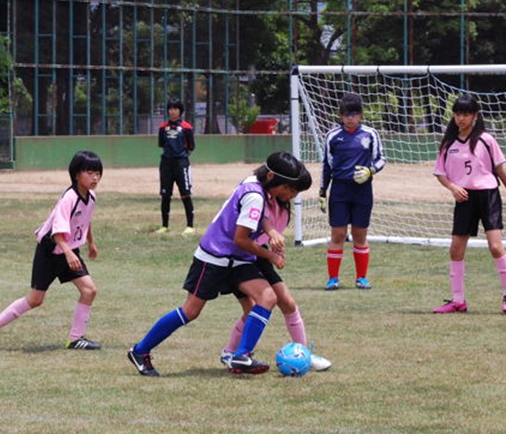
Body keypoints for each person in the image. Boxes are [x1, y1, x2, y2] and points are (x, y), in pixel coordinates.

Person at [128, 151, 308, 376]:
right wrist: (270, 255)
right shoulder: (255, 194)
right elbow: (240, 239)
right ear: (271, 176)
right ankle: (140, 350)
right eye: (288, 189)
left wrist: (270, 230)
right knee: (190, 311)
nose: (289, 195)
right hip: (215, 257)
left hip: (238, 260)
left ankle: (241, 355)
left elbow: (257, 216)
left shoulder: (254, 183)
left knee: (267, 297)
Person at [219, 166, 332, 371]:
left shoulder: (281, 203)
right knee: (253, 308)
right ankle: (230, 353)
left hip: (258, 252)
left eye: (296, 192)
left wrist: (275, 246)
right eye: (292, 190)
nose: (293, 196)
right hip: (239, 255)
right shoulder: (259, 191)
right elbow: (256, 217)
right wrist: (270, 232)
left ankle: (303, 352)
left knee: (287, 303)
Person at [0, 150, 103, 349]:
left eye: (97, 173)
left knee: (89, 290)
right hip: (50, 252)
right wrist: (68, 251)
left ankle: (75, 339)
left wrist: (91, 243)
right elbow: (57, 232)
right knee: (35, 299)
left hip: (68, 252)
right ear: (76, 174)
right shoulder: (69, 198)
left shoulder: (91, 196)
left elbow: (85, 221)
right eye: (89, 172)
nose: (95, 177)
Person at [432, 95, 506, 314]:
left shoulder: (486, 139)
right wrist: (453, 187)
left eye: (465, 114)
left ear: (474, 116)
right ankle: (458, 300)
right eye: (457, 114)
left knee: (495, 247)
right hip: (464, 199)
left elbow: (501, 170)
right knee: (455, 249)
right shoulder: (449, 143)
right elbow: (440, 174)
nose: (461, 118)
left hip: (488, 196)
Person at [319, 93, 386, 290]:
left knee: (360, 234)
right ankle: (333, 278)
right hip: (339, 189)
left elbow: (381, 159)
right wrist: (323, 192)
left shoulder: (370, 134)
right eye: (347, 114)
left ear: (361, 115)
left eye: (354, 114)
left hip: (362, 190)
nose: (350, 118)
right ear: (340, 115)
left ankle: (362, 278)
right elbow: (327, 165)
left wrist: (370, 171)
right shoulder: (332, 136)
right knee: (338, 234)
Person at [156, 97, 196, 236]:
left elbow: (191, 146)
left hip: (181, 163)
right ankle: (164, 225)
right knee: (165, 194)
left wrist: (181, 157)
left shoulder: (186, 128)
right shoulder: (163, 128)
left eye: (175, 109)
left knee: (185, 193)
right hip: (166, 164)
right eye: (170, 109)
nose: (172, 111)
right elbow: (162, 144)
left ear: (180, 111)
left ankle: (190, 225)